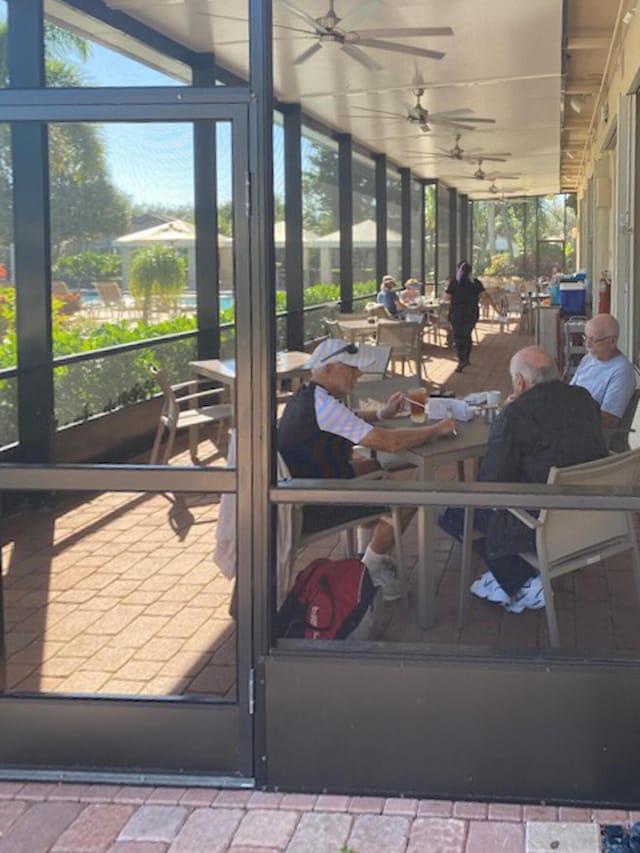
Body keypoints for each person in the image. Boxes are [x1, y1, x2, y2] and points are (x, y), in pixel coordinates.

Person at [278, 338, 456, 600]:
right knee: (410, 495)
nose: (358, 374)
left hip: (303, 489)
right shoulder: (325, 407)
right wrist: (435, 430)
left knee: (372, 465)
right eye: (351, 369)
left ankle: (365, 553)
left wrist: (382, 414)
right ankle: (370, 566)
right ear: (328, 368)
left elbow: (349, 419)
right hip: (313, 506)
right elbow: (391, 443)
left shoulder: (310, 396)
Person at [439, 346, 607, 613]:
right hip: (590, 513)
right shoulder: (584, 398)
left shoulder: (517, 414)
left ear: (519, 382)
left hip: (540, 522)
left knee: (451, 514)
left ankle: (523, 580)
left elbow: (491, 483)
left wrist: (505, 418)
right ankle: (519, 576)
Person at [570, 313, 636, 429]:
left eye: (593, 340)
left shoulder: (622, 371)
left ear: (612, 342)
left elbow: (606, 419)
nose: (587, 344)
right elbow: (570, 390)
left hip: (588, 432)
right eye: (586, 338)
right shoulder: (589, 358)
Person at [445, 261, 501, 372]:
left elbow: (447, 297)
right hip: (471, 313)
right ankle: (466, 358)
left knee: (458, 337)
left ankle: (462, 359)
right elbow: (485, 296)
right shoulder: (475, 283)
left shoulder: (455, 283)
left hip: (457, 314)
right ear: (471, 271)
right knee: (467, 335)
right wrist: (496, 309)